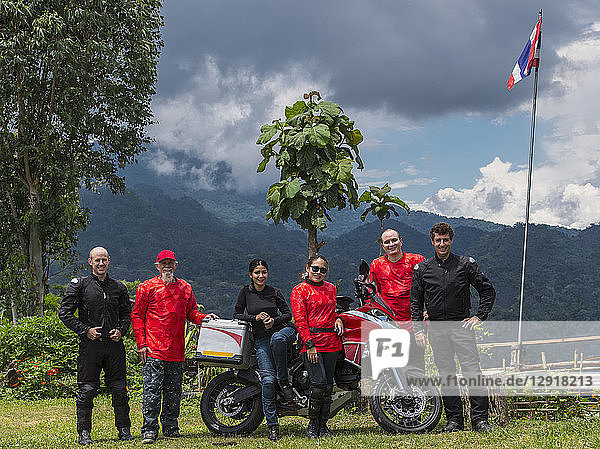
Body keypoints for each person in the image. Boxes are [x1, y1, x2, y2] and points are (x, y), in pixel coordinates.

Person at [410, 222, 495, 433]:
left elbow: (487, 290)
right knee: (446, 374)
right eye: (438, 240)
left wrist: (479, 316)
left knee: (472, 372)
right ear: (432, 241)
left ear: (451, 240)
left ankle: (480, 420)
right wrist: (419, 329)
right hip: (437, 329)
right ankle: (455, 420)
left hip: (462, 326)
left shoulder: (465, 264)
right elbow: (415, 302)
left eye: (445, 240)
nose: (442, 244)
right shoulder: (423, 269)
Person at [131, 250, 218, 444]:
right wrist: (141, 344)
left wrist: (205, 318)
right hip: (153, 349)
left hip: (177, 350)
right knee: (152, 391)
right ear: (157, 266)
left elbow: (192, 312)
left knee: (173, 392)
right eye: (163, 263)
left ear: (176, 265)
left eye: (170, 263)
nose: (167, 267)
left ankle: (171, 427)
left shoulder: (185, 288)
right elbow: (136, 316)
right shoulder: (146, 287)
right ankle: (149, 430)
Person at [59, 246, 133, 445]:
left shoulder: (119, 287)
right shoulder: (79, 285)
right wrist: (85, 330)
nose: (101, 263)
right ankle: (84, 433)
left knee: (119, 388)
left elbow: (127, 315)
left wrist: (121, 330)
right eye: (97, 260)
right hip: (90, 346)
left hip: (114, 345)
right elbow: (65, 314)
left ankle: (124, 430)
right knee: (87, 390)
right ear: (90, 262)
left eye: (104, 260)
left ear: (109, 260)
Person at [233, 258, 296, 441]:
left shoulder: (274, 292)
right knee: (267, 381)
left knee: (277, 338)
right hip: (261, 340)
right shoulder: (245, 292)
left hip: (281, 333)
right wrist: (255, 318)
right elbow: (237, 314)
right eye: (257, 273)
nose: (261, 276)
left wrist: (273, 321)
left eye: (264, 272)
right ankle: (273, 426)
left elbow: (287, 315)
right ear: (251, 275)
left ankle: (284, 382)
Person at [290, 255, 344, 439]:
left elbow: (332, 310)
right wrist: (309, 344)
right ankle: (312, 425)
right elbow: (300, 320)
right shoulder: (299, 290)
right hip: (312, 342)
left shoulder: (331, 288)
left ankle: (323, 425)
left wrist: (339, 318)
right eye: (315, 268)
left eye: (322, 270)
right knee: (319, 384)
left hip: (331, 342)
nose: (318, 272)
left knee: (328, 386)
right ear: (307, 267)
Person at [369, 228, 426, 370]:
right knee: (393, 368)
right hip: (389, 324)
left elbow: (430, 288)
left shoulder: (416, 261)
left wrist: (428, 310)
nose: (391, 244)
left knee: (416, 366)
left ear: (401, 241)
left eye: (394, 240)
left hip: (414, 323)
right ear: (382, 246)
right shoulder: (376, 265)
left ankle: (418, 392)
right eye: (387, 242)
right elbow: (371, 295)